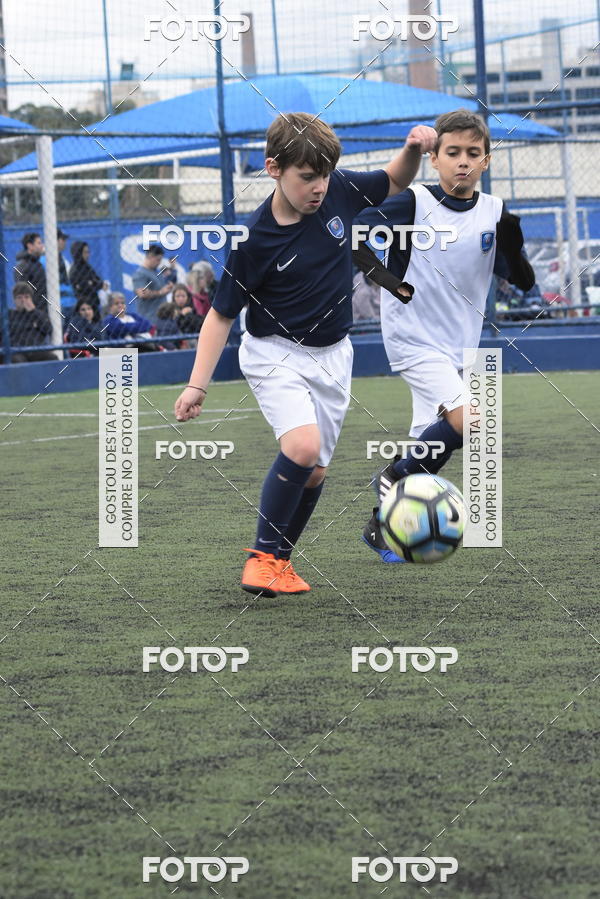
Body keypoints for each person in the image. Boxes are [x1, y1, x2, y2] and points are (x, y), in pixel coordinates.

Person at [174, 111, 436, 596]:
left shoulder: (338, 190)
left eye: (324, 176)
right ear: (274, 169)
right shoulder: (255, 240)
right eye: (307, 177)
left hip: (335, 356)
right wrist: (197, 384)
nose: (319, 187)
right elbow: (221, 315)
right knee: (301, 448)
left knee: (314, 471)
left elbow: (396, 179)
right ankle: (260, 557)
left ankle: (280, 562)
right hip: (275, 353)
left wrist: (415, 149)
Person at [353, 108, 535, 562]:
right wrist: (390, 280)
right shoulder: (413, 202)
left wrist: (511, 246)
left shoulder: (494, 212)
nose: (463, 162)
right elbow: (355, 235)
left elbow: (525, 282)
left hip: (459, 346)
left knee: (431, 443)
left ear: (486, 161)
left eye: (474, 153)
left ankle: (383, 526)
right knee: (472, 420)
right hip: (412, 338)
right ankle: (392, 476)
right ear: (435, 158)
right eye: (452, 152)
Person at [3, 282, 55, 363]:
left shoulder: (38, 314)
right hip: (16, 351)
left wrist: (33, 311)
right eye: (19, 297)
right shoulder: (8, 315)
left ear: (31, 299)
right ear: (14, 300)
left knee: (52, 357)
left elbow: (48, 329)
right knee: (18, 360)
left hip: (36, 350)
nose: (23, 300)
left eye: (26, 297)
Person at [132, 244, 171, 324]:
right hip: (149, 319)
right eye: (158, 259)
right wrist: (160, 292)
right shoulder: (140, 274)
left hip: (162, 318)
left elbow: (160, 289)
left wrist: (168, 288)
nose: (159, 262)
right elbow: (142, 293)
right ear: (150, 256)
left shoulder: (156, 272)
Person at [13, 232, 47, 315]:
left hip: (42, 309)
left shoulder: (37, 264)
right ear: (30, 246)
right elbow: (22, 291)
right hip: (32, 312)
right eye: (39, 243)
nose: (42, 245)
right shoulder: (23, 266)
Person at [69, 241, 107, 310]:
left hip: (94, 304)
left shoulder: (87, 266)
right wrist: (96, 284)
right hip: (84, 306)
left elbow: (97, 280)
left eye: (88, 252)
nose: (88, 255)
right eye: (85, 252)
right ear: (78, 253)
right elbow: (86, 287)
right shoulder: (75, 270)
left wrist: (94, 283)